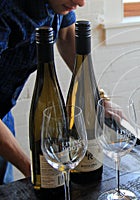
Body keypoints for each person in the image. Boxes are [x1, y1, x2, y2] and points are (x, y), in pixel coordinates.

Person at [0, 0, 85, 184]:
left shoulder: (59, 4)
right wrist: (31, 169)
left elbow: (66, 33)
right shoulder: (4, 11)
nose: (81, 2)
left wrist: (96, 95)